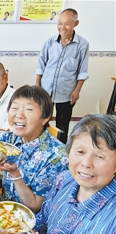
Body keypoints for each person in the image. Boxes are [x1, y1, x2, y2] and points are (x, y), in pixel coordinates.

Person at [21, 114, 116, 234]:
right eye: (80, 151)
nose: (86, 163)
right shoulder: (64, 179)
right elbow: (42, 221)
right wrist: (20, 232)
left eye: (99, 156)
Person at [0, 85, 68, 213]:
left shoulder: (57, 156)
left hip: (28, 224)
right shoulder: (11, 137)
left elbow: (34, 205)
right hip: (3, 207)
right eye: (14, 108)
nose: (19, 115)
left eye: (29, 109)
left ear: (45, 117)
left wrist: (15, 174)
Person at [36, 8, 89, 139]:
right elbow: (41, 65)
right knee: (41, 121)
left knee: (62, 125)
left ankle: (61, 151)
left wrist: (77, 91)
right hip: (45, 89)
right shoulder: (49, 42)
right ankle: (41, 147)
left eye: (67, 23)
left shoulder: (82, 44)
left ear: (75, 24)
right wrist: (37, 84)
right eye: (60, 23)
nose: (62, 27)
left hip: (66, 92)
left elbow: (82, 71)